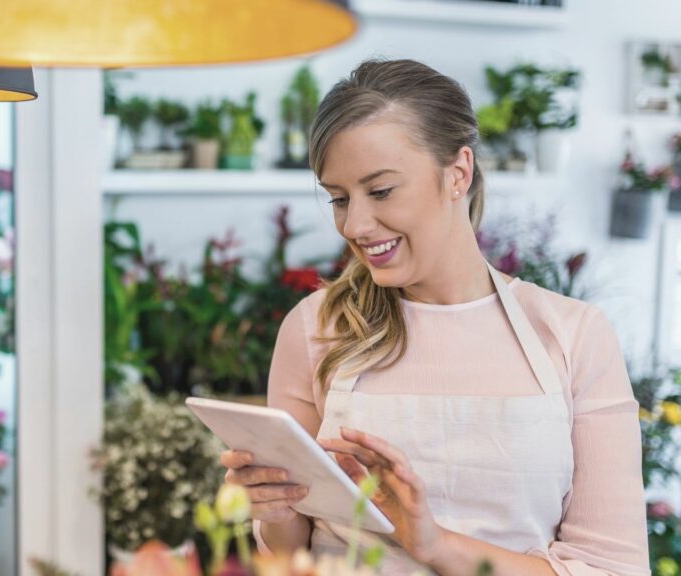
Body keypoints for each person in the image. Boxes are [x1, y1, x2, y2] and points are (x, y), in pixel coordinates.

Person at [219, 59, 649, 575]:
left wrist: (436, 544)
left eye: (380, 191)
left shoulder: (574, 335)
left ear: (458, 173)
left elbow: (612, 569)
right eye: (338, 198)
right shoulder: (316, 327)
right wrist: (274, 510)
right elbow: (290, 557)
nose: (354, 223)